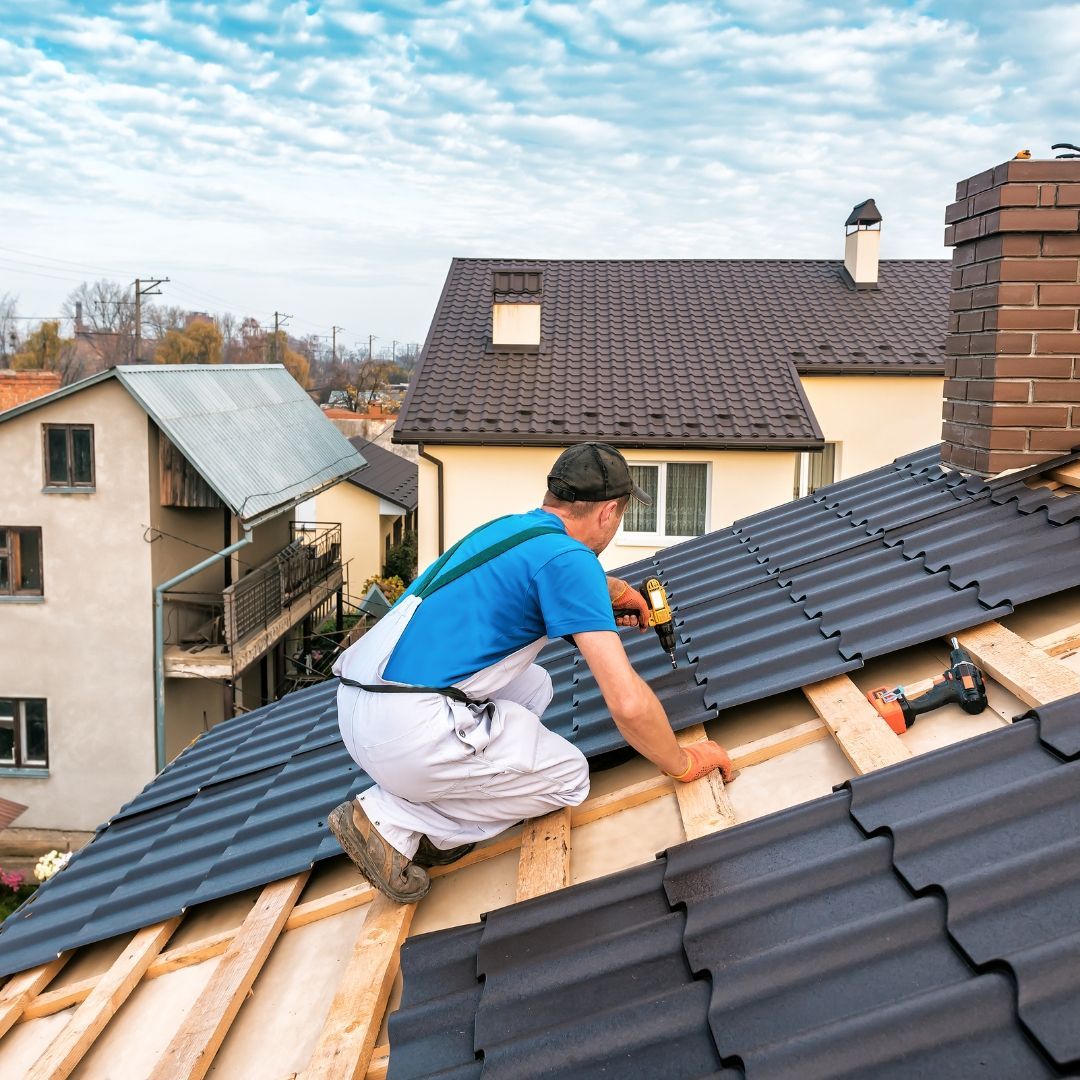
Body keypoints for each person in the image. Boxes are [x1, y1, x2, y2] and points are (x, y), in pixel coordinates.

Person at [328, 442, 736, 903]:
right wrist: (683, 763)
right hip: (406, 731)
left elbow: (545, 578)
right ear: (607, 513)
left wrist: (614, 590)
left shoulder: (513, 530)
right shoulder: (571, 561)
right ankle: (392, 821)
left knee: (535, 683)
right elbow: (626, 702)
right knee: (568, 777)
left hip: (361, 704)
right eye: (621, 515)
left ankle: (436, 807)